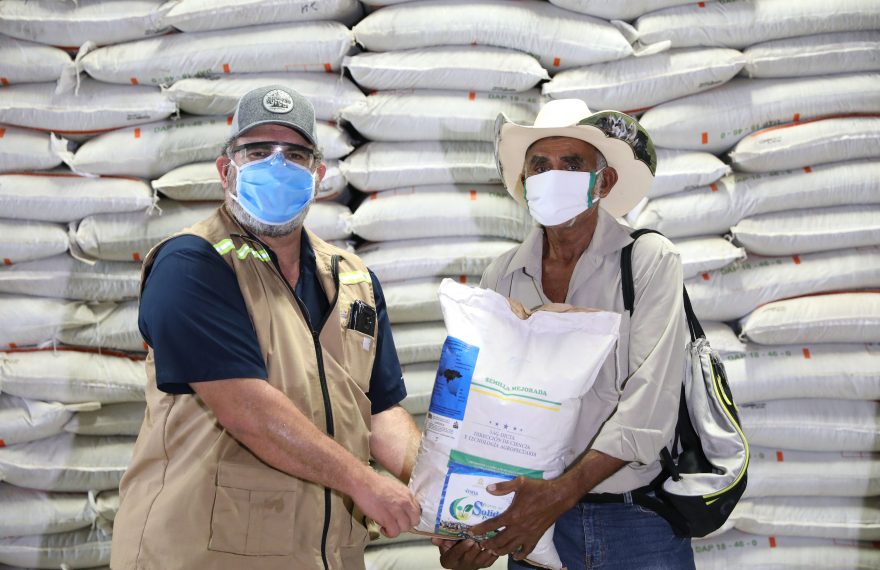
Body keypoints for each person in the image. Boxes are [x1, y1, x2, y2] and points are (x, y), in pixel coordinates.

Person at [111, 85, 422, 570]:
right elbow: (246, 408)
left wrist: (439, 493)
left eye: (295, 155)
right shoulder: (192, 263)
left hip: (321, 556)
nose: (278, 166)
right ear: (226, 170)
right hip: (201, 555)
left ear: (318, 176)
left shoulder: (353, 279)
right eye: (257, 152)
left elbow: (380, 411)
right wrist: (366, 483)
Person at [434, 99, 694, 570]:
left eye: (571, 164)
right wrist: (470, 521)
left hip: (636, 524)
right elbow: (483, 407)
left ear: (603, 182)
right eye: (540, 166)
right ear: (525, 181)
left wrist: (556, 496)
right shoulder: (502, 277)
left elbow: (649, 409)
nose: (553, 176)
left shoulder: (648, 262)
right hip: (531, 523)